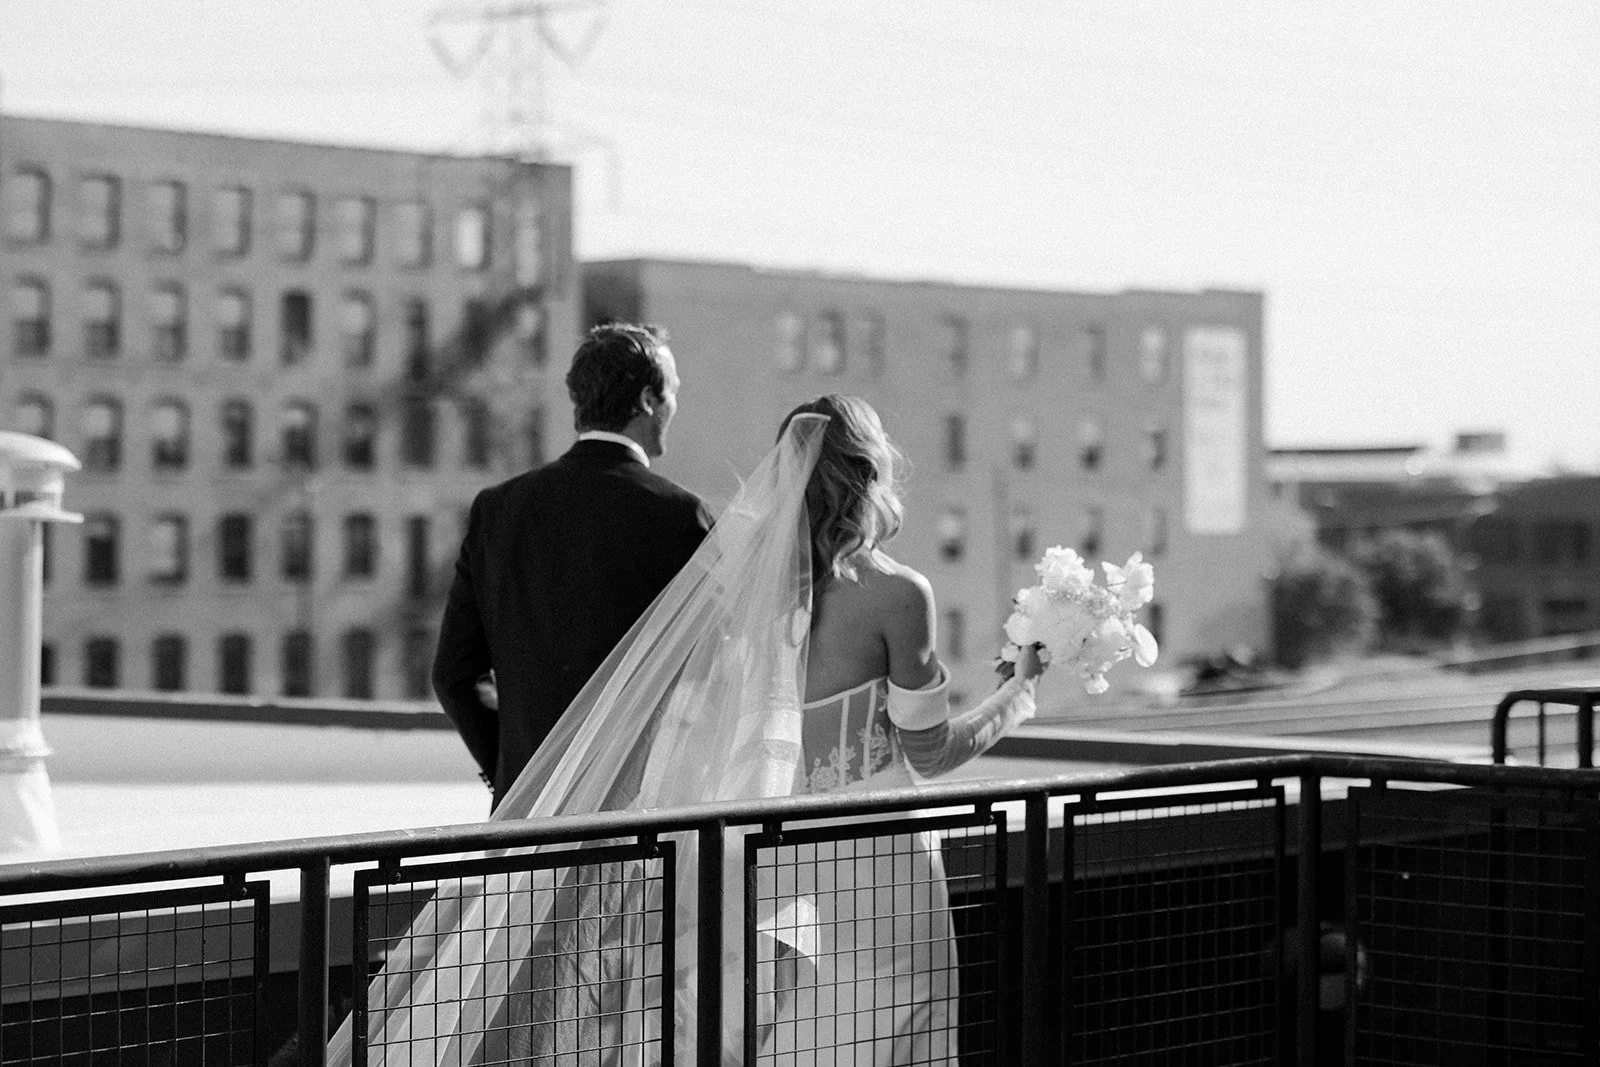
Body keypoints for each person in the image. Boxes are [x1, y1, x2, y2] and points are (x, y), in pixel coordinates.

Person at [331, 395, 1042, 1065]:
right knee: (899, 1027)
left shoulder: (750, 594)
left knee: (799, 1041)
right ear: (869, 476)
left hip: (784, 855)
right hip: (880, 862)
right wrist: (1018, 692)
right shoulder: (898, 594)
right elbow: (933, 750)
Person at [431, 321, 713, 808]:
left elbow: (454, 676)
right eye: (673, 393)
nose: (674, 407)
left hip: (525, 813)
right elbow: (714, 669)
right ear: (648, 399)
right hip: (633, 812)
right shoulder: (680, 517)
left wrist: (518, 775)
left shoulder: (497, 509)